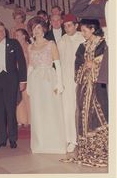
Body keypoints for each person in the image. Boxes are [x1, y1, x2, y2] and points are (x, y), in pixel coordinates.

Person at [64, 19, 108, 167]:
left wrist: (95, 63)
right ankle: (87, 150)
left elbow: (109, 62)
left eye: (84, 30)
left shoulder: (104, 44)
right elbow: (77, 65)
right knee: (83, 113)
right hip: (84, 87)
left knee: (100, 114)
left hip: (100, 87)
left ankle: (103, 150)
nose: (82, 34)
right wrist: (86, 66)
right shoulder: (82, 47)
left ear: (93, 29)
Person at [27, 16, 66, 154]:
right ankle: (40, 144)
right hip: (36, 81)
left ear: (43, 28)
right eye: (33, 28)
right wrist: (28, 86)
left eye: (38, 27)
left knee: (51, 110)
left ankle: (55, 143)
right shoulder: (30, 47)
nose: (36, 30)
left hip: (50, 79)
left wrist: (60, 84)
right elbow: (30, 66)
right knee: (38, 112)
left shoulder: (51, 44)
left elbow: (58, 64)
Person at [0, 21, 27, 149]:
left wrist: (22, 81)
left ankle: (13, 139)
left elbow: (21, 62)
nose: (2, 32)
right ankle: (1, 140)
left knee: (10, 110)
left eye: (3, 30)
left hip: (11, 80)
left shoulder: (13, 43)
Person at [57, 14, 84, 153]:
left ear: (76, 25)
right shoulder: (62, 40)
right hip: (66, 80)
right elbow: (59, 62)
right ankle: (71, 139)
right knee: (67, 109)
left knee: (80, 109)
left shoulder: (82, 38)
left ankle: (82, 138)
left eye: (69, 25)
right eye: (65, 26)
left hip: (80, 79)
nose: (67, 28)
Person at [15, 28, 31, 126]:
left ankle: (29, 120)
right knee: (19, 98)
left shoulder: (29, 47)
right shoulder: (15, 47)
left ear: (24, 36)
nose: (15, 37)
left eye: (17, 35)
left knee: (27, 97)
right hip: (17, 75)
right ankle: (21, 119)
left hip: (27, 74)